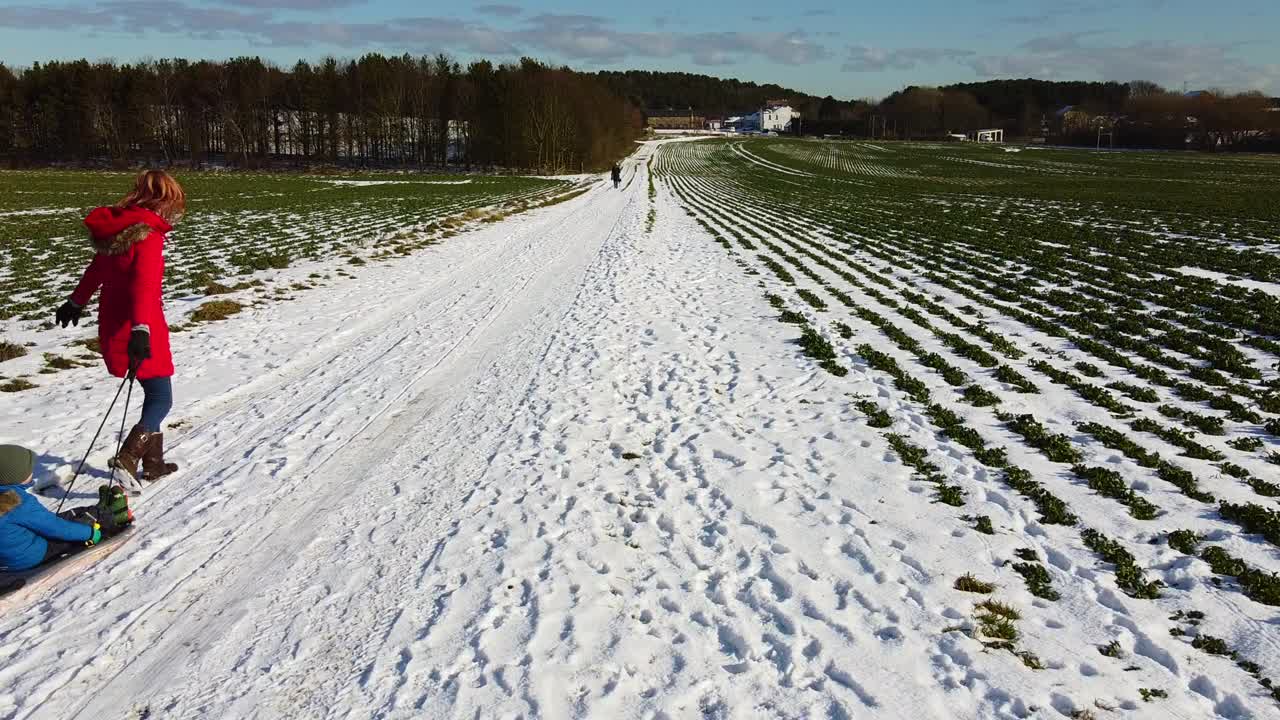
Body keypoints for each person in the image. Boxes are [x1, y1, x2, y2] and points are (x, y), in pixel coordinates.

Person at [55, 170, 186, 483]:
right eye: (172, 202)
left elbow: (95, 270)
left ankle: (153, 464)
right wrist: (142, 329)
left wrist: (75, 302)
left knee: (153, 391)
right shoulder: (148, 236)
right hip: (140, 324)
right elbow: (145, 285)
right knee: (161, 397)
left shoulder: (121, 229)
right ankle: (129, 457)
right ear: (162, 200)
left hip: (114, 322)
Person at [0, 445, 132, 573]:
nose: (32, 472)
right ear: (15, 476)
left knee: (67, 516)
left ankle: (102, 510)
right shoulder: (19, 502)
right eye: (29, 470)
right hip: (30, 556)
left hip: (6, 559)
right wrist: (90, 534)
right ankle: (116, 516)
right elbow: (55, 528)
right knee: (79, 520)